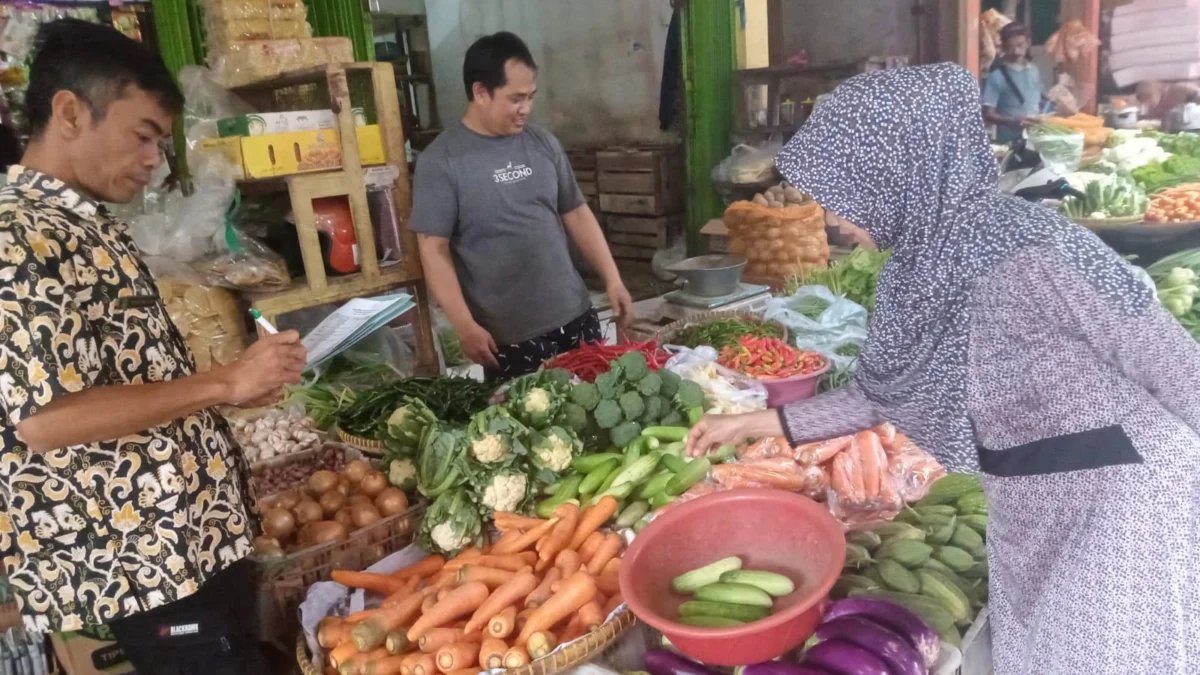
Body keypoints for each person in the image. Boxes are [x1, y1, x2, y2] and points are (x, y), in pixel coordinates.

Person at [689, 64, 1200, 675]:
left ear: (899, 170)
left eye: (848, 190)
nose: (832, 216)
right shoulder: (918, 267)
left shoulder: (1033, 246)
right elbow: (880, 394)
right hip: (1027, 491)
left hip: (1120, 495)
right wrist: (751, 423)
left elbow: (1172, 362)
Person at [0, 20, 306, 674]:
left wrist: (235, 381)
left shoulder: (81, 223)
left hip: (192, 546)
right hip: (151, 562)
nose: (153, 161)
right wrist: (224, 384)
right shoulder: (19, 236)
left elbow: (123, 376)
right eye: (142, 137)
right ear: (69, 112)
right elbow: (47, 417)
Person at [411, 31, 633, 379]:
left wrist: (613, 278)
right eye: (516, 99)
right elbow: (433, 250)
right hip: (511, 338)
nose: (526, 109)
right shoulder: (442, 161)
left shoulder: (542, 142)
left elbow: (575, 212)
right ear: (480, 92)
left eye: (531, 97)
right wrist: (464, 324)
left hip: (576, 317)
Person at [982, 22, 1044, 143]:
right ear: (1003, 47)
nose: (1016, 51)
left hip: (1035, 139)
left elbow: (1036, 99)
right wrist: (1014, 121)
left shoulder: (1034, 70)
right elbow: (988, 114)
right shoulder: (996, 77)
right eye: (1010, 47)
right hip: (1009, 142)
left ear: (1028, 43)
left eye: (1020, 45)